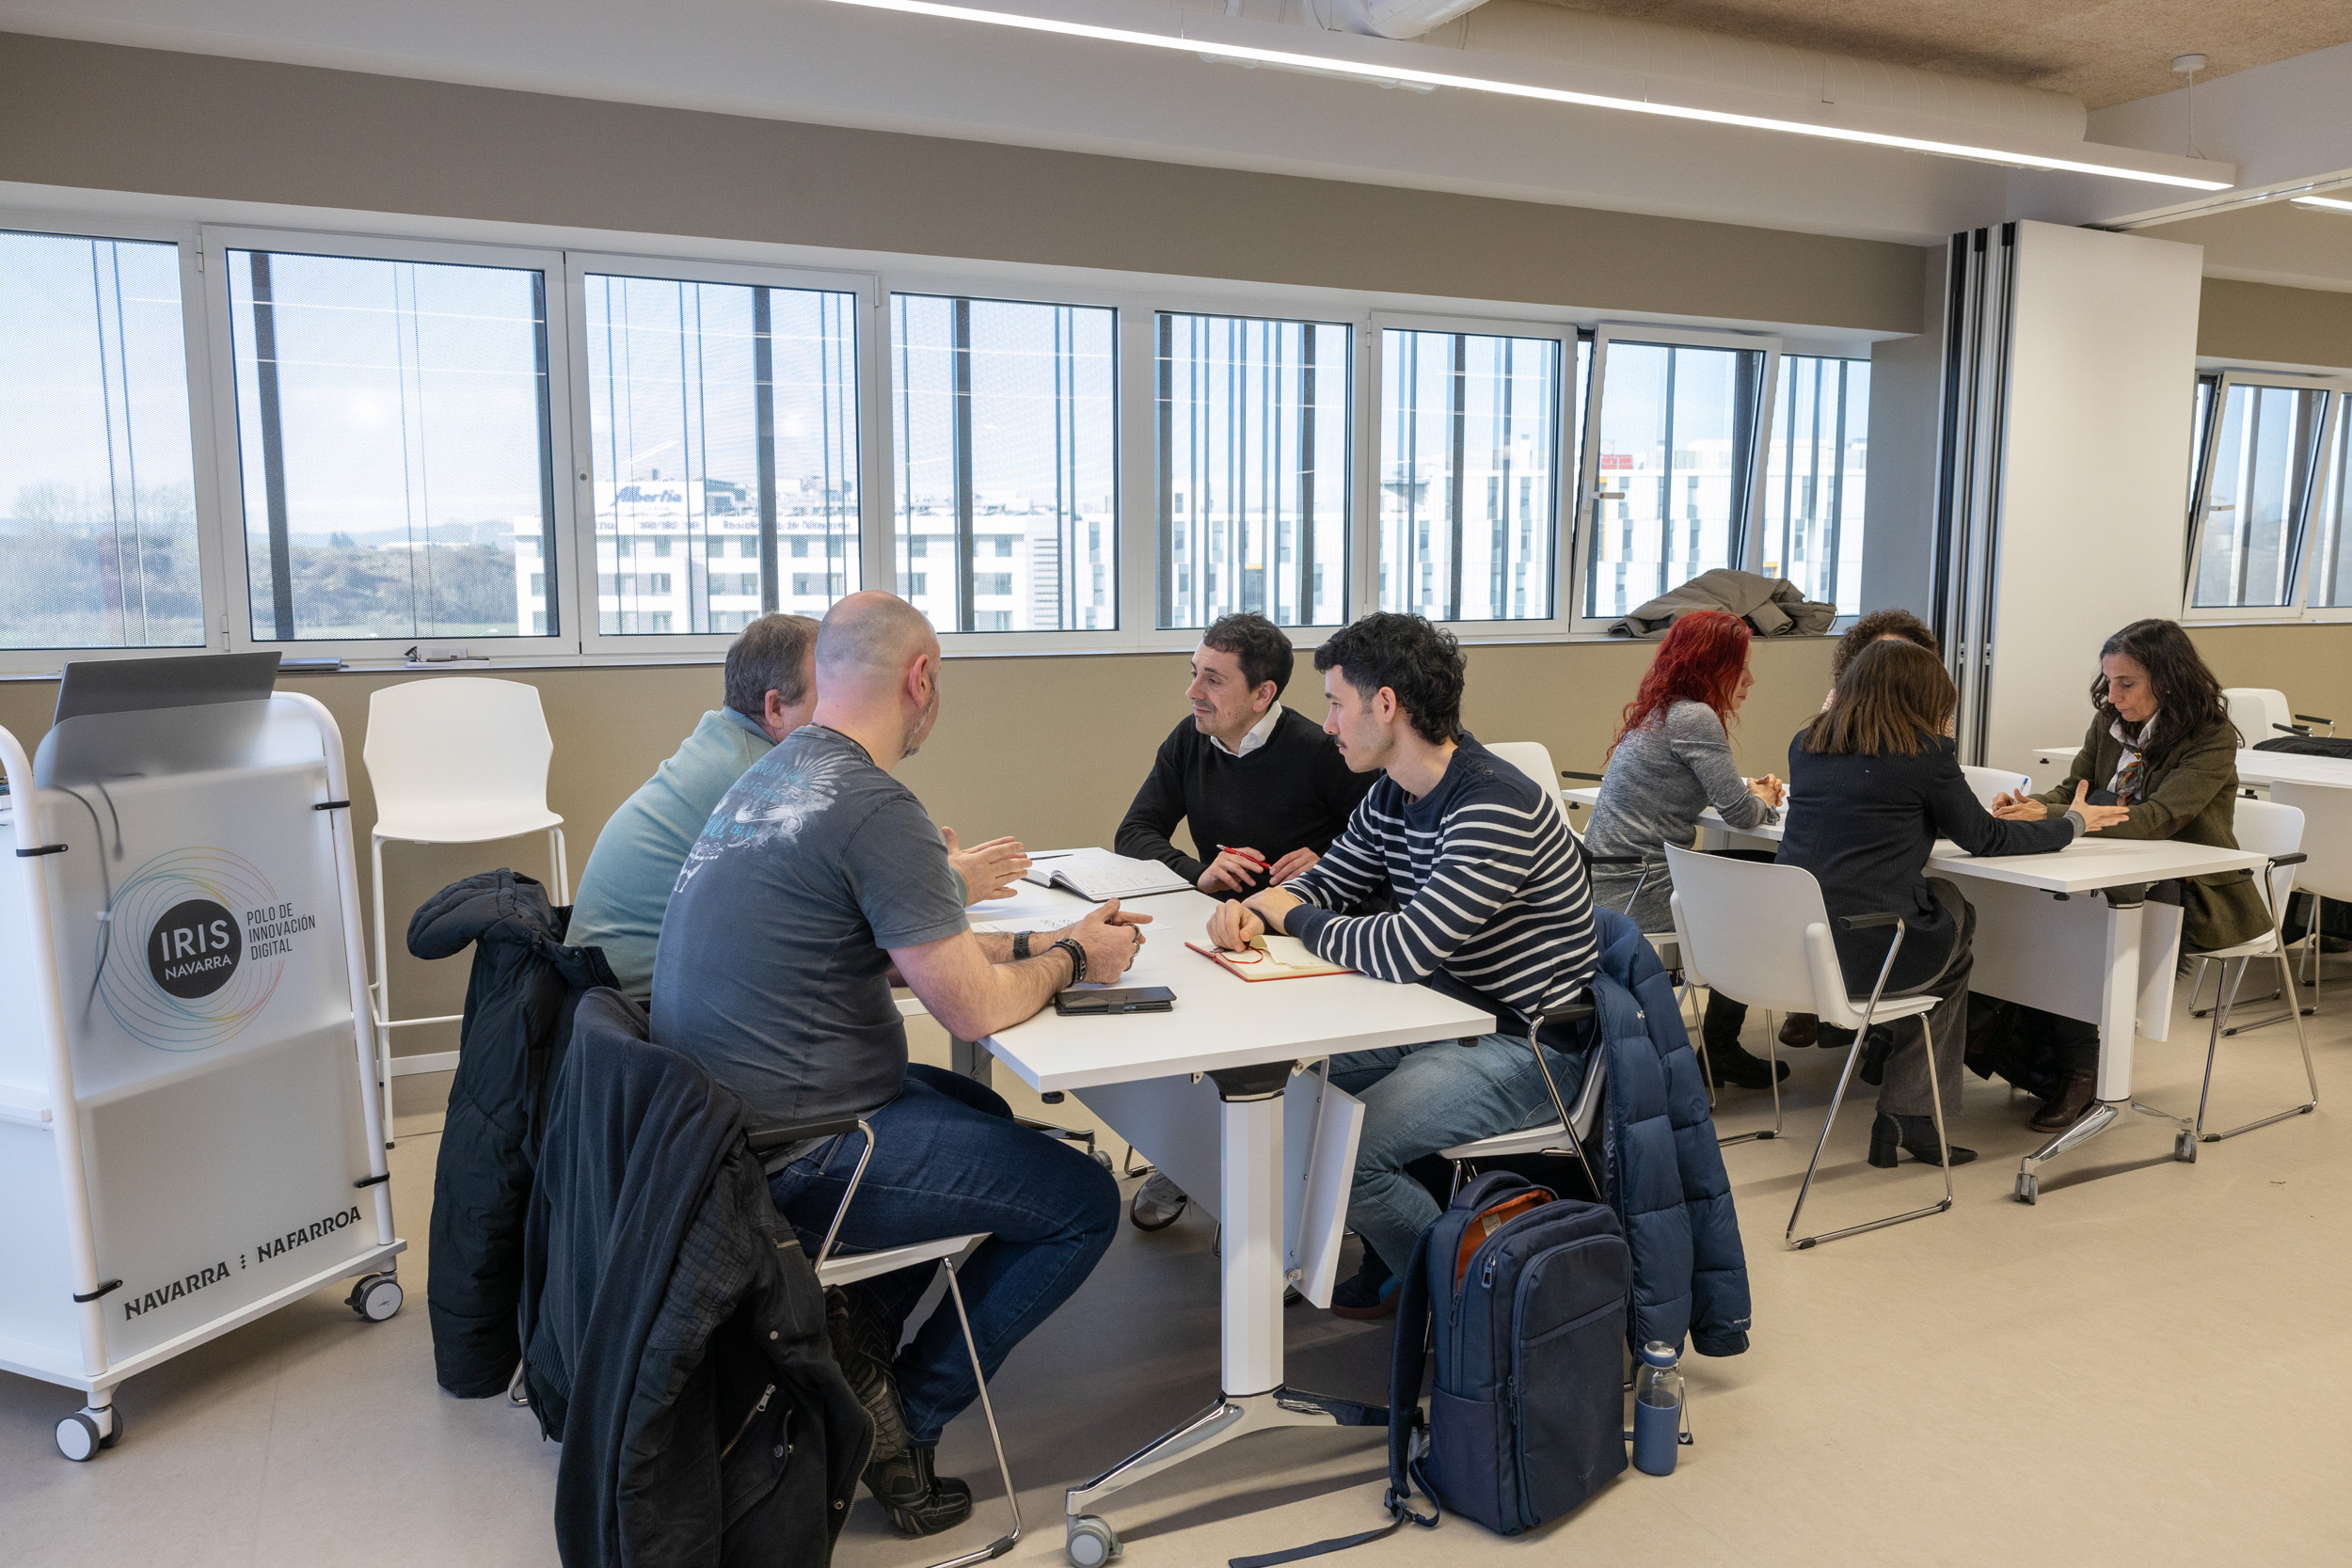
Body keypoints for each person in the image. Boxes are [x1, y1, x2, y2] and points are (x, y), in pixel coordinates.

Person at [650, 593, 1143, 1537]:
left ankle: (857, 1346)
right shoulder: (877, 805)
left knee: (982, 1113)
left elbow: (896, 949)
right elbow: (971, 1006)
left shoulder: (777, 776)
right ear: (921, 680)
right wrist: (1079, 958)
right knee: (1082, 1200)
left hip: (727, 1128)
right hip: (803, 1150)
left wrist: (1040, 940)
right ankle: (905, 1420)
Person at [1206, 612, 1600, 1318]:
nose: (1328, 724)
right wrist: (1262, 909)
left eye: (1336, 703)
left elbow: (1403, 949)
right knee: (1286, 1102)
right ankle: (1401, 1264)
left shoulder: (1494, 805)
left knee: (1351, 1158)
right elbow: (1331, 883)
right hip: (1443, 1016)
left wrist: (1285, 912)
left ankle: (1475, 1311)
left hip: (1528, 1044)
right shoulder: (1395, 790)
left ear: (1384, 704)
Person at [1775, 641, 2125, 1167]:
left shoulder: (1807, 744)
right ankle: (1909, 1112)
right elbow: (1985, 838)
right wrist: (2073, 823)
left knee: (1949, 941)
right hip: (1870, 951)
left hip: (1799, 947)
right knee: (1952, 920)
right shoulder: (1924, 754)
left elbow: (1872, 813)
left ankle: (1908, 1107)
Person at [566, 611, 1029, 1000]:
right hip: (646, 1019)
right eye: (829, 691)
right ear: (775, 708)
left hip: (611, 1008)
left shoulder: (723, 749)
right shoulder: (765, 783)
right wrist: (957, 882)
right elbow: (866, 923)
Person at [1114, 612, 1375, 1231]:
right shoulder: (1190, 739)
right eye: (1194, 673)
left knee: (1240, 1049)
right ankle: (1189, 1155)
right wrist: (1197, 873)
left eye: (1213, 679)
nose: (1193, 692)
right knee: (1168, 1017)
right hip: (1221, 932)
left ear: (1263, 694)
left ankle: (1237, 1181)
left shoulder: (1320, 750)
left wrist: (1330, 858)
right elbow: (1134, 832)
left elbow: (1383, 850)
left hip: (1301, 945)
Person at [1986, 617, 2270, 1132]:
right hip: (2112, 870)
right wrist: (2028, 805)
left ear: (2168, 681)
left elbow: (2158, 819)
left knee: (2070, 935)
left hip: (2190, 890)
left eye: (2126, 683)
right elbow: (2074, 790)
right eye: (2110, 681)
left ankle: (2080, 1072)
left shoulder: (2210, 736)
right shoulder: (2109, 723)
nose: (2113, 696)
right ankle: (2059, 1063)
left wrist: (2056, 817)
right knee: (2039, 921)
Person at [1583, 610, 1786, 1089]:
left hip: (1611, 882)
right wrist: (1761, 799)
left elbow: (1710, 790)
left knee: (1759, 878)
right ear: (1711, 666)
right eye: (1741, 667)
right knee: (1772, 882)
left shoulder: (1662, 712)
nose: (1751, 680)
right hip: (1642, 889)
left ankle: (1721, 1047)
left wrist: (1750, 793)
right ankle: (1720, 1049)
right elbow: (1740, 814)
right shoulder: (1695, 716)